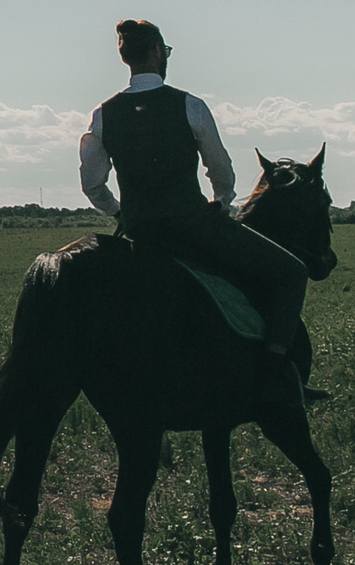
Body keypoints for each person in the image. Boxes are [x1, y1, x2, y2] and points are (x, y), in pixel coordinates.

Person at [78, 19, 306, 372]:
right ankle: (277, 367)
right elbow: (221, 168)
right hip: (194, 225)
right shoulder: (190, 106)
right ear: (156, 50)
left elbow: (92, 184)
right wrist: (223, 202)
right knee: (292, 272)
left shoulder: (102, 115)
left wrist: (120, 214)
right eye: (165, 50)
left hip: (141, 232)